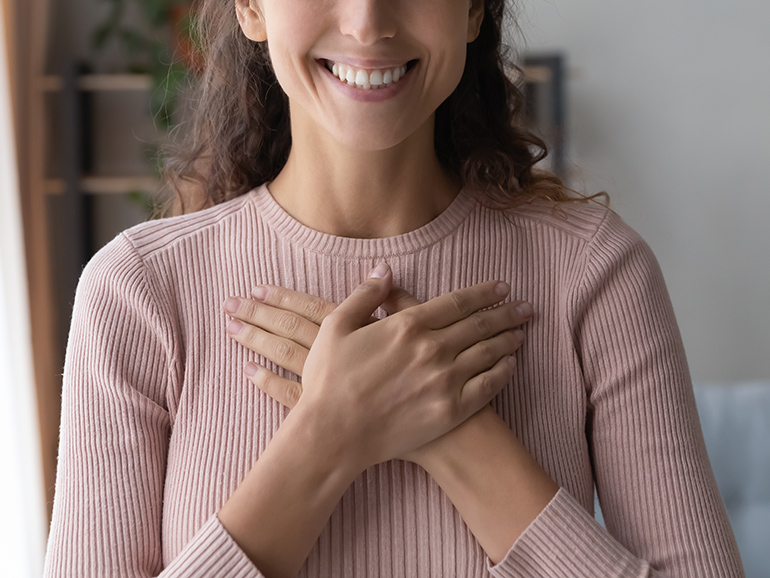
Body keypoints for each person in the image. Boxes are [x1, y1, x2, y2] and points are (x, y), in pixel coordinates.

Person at [44, 0, 744, 576]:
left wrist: (460, 437)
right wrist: (328, 436)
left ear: (474, 11)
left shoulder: (597, 273)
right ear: (251, 7)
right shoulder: (137, 293)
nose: (368, 21)